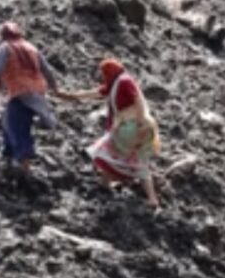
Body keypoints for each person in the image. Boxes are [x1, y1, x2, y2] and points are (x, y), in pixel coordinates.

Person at [58, 59, 161, 207]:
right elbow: (95, 93)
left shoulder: (124, 81)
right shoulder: (116, 83)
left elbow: (137, 100)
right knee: (140, 162)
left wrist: (139, 125)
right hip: (140, 127)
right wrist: (71, 95)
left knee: (104, 150)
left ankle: (105, 183)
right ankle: (152, 199)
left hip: (132, 127)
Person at [0, 21, 67, 180]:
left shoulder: (6, 47)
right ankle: (8, 157)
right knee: (9, 122)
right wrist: (55, 88)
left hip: (20, 92)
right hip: (36, 92)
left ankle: (25, 170)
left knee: (17, 127)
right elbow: (47, 70)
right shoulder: (31, 47)